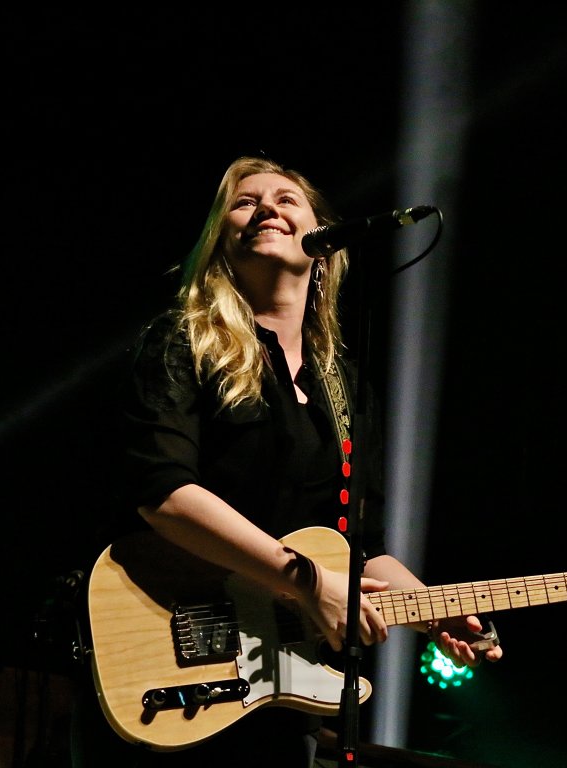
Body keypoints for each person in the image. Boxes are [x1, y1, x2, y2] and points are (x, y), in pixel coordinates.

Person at [73, 154, 502, 767]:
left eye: (286, 199)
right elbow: (164, 493)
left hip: (277, 692)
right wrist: (307, 581)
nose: (267, 209)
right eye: (245, 202)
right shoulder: (181, 340)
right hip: (166, 649)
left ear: (323, 250)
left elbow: (362, 546)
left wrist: (436, 614)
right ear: (220, 241)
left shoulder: (345, 388)